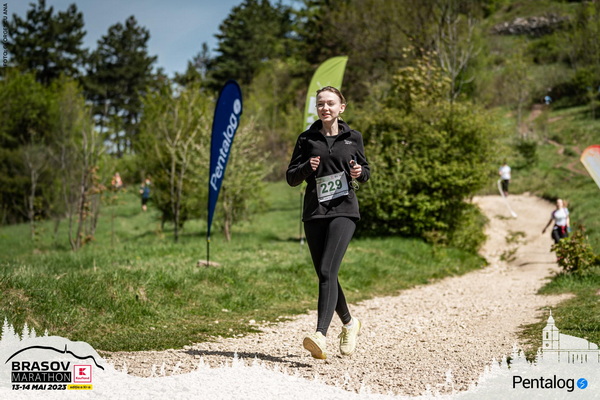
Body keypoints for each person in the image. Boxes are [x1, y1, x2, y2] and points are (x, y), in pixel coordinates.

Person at [286, 86, 370, 359]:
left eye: (330, 103)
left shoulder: (353, 137)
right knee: (326, 274)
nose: (325, 108)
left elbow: (366, 172)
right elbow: (291, 177)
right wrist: (306, 168)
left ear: (341, 107)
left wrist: (359, 172)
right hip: (315, 212)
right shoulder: (307, 138)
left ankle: (320, 334)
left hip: (344, 210)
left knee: (326, 270)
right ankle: (350, 323)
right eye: (321, 104)